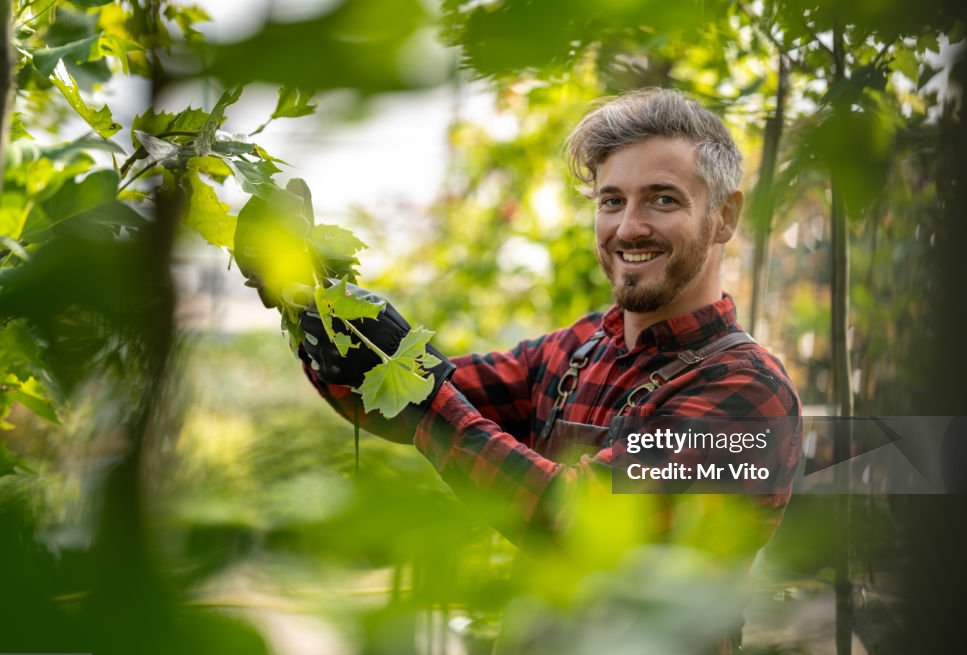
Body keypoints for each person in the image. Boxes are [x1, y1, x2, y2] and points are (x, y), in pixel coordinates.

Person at [293, 88, 801, 557]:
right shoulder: (578, 349)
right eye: (612, 201)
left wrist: (422, 385)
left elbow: (574, 523)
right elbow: (401, 408)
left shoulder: (750, 394)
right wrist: (308, 303)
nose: (628, 228)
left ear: (726, 216)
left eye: (663, 199)